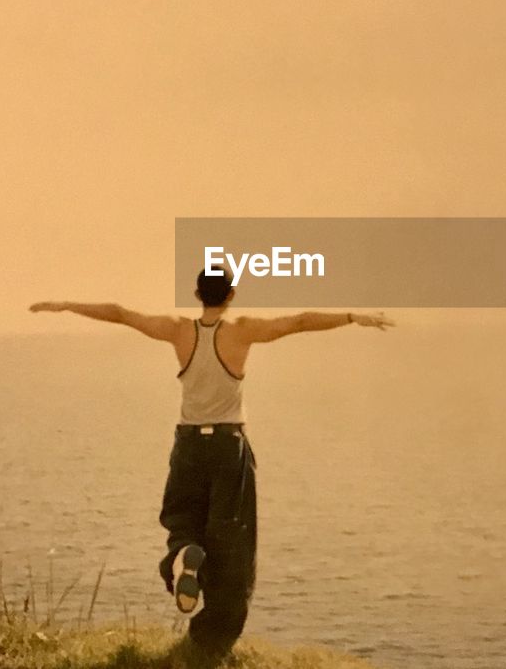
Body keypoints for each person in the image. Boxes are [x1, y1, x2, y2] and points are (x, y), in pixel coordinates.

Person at [28, 270, 393, 665]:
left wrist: (64, 304)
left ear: (196, 293)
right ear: (232, 294)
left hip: (188, 443)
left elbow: (119, 312)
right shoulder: (242, 331)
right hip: (227, 445)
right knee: (232, 543)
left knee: (181, 518)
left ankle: (184, 552)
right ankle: (208, 642)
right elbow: (301, 322)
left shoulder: (178, 331)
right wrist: (353, 316)